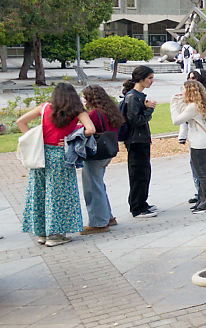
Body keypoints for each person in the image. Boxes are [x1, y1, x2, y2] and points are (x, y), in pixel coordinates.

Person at [16, 83, 96, 246]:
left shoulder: (44, 108)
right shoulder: (77, 111)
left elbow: (20, 122)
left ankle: (41, 233)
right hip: (61, 155)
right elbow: (91, 129)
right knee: (58, 195)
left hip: (41, 154)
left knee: (39, 192)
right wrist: (71, 137)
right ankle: (55, 235)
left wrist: (34, 138)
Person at [170, 80, 206, 212]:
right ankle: (203, 199)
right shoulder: (202, 104)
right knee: (203, 174)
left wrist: (173, 102)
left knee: (202, 175)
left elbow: (176, 120)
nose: (181, 92)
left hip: (199, 144)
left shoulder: (193, 107)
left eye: (183, 89)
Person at [79, 85, 123, 233]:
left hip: (95, 154)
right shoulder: (110, 111)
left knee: (92, 187)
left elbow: (87, 130)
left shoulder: (94, 114)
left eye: (84, 97)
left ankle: (99, 222)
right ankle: (107, 216)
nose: (83, 100)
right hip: (107, 151)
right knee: (98, 184)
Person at [119, 66, 157, 217]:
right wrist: (149, 110)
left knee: (144, 172)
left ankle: (142, 202)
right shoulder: (133, 97)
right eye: (149, 78)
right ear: (141, 79)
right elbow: (135, 120)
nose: (151, 81)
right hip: (136, 140)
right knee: (138, 173)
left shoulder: (138, 96)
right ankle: (137, 207)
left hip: (140, 139)